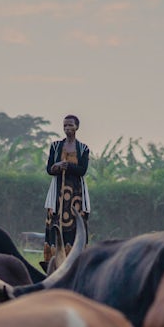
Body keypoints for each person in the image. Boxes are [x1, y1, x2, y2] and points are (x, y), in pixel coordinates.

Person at [43, 114, 90, 267]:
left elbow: (82, 170)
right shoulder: (55, 146)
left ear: (77, 127)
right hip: (57, 192)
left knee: (75, 222)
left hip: (75, 192)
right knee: (55, 221)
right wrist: (57, 166)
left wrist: (68, 166)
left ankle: (75, 260)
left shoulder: (83, 148)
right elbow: (49, 169)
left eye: (70, 125)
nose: (67, 128)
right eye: (65, 126)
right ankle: (53, 260)